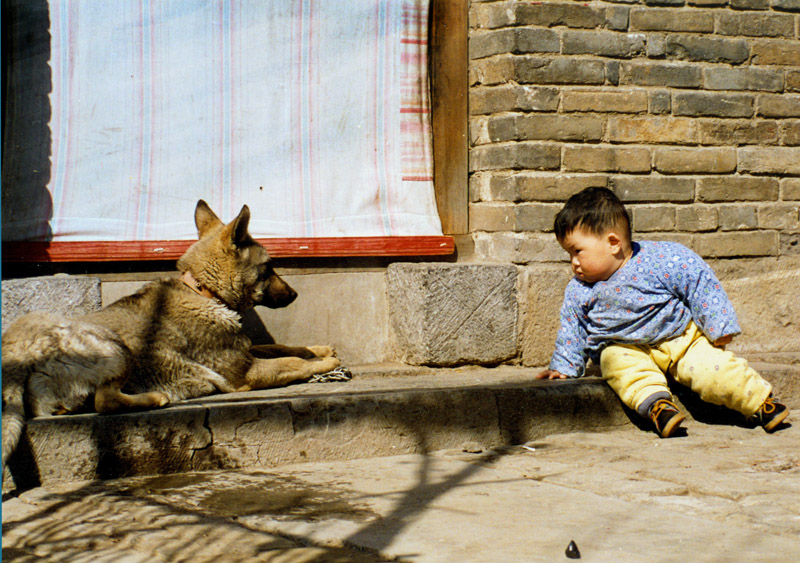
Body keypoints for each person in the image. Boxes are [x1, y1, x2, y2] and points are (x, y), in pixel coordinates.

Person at [536, 187, 790, 438]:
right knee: (619, 367)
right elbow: (572, 328)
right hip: (624, 347)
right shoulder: (579, 289)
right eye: (569, 254)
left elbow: (698, 281)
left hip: (680, 338)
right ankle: (659, 407)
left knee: (714, 370)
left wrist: (718, 325)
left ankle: (761, 403)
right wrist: (565, 366)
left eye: (577, 251)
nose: (574, 262)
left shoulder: (661, 258)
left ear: (613, 243)